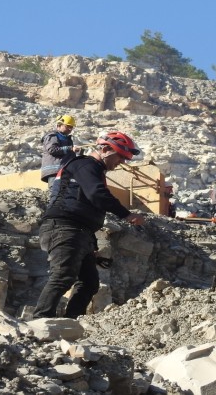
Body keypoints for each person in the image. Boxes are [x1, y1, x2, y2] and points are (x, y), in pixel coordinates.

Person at [33, 131, 145, 319]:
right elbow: (97, 194)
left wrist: (91, 247)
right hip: (64, 226)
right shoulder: (85, 165)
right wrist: (127, 214)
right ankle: (41, 321)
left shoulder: (92, 170)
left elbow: (85, 209)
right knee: (63, 276)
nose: (122, 162)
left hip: (79, 230)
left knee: (89, 282)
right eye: (120, 156)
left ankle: (70, 322)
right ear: (105, 149)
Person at [40, 114, 81, 200]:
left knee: (65, 196)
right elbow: (52, 149)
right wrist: (70, 148)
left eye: (71, 127)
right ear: (59, 125)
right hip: (55, 171)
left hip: (63, 171)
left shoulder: (66, 138)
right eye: (67, 126)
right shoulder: (52, 136)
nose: (70, 129)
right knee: (56, 195)